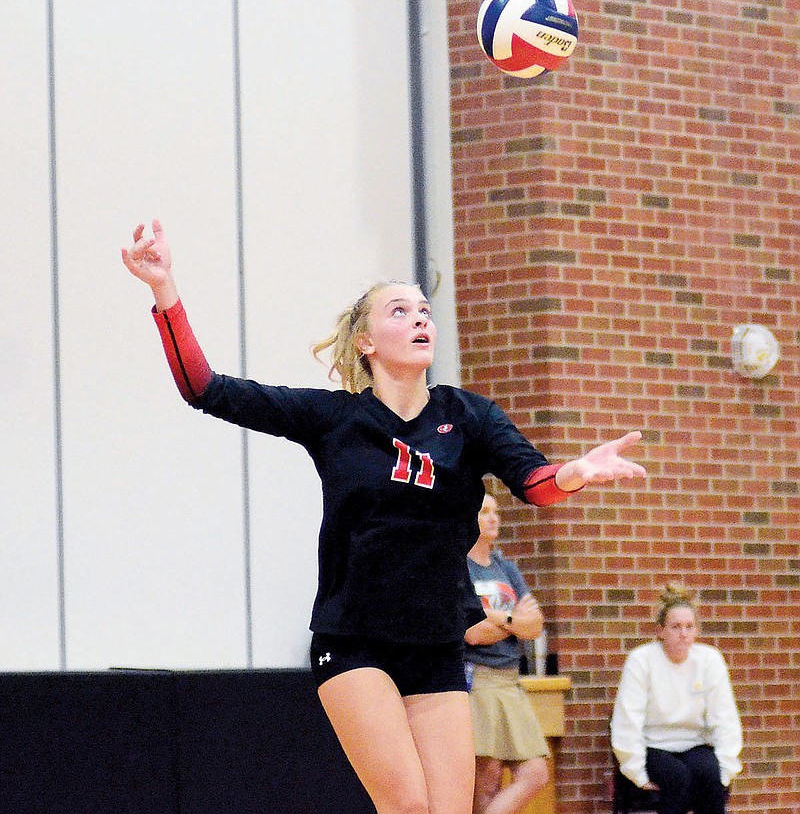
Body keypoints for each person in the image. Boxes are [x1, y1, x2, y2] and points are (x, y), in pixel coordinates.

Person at [122, 219, 647, 814]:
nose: (421, 318)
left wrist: (576, 472)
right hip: (354, 641)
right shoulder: (333, 418)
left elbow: (534, 481)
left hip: (437, 642)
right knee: (407, 807)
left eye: (425, 310)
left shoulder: (470, 417)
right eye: (399, 311)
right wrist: (164, 289)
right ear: (366, 342)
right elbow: (205, 388)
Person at [610, 582, 742, 814]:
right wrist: (637, 774)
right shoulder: (641, 660)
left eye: (689, 627)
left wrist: (727, 769)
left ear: (696, 631)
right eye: (675, 626)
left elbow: (726, 719)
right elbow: (627, 722)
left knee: (711, 774)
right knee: (678, 778)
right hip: (654, 745)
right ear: (660, 630)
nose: (683, 634)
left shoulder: (710, 660)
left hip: (694, 743)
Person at [464, 492, 549, 814]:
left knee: (535, 773)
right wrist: (516, 621)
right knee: (486, 782)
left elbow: (535, 625)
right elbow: (472, 633)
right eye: (484, 511)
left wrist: (501, 619)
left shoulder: (506, 568)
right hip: (479, 680)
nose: (493, 518)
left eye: (495, 512)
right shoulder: (461, 568)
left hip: (511, 682)